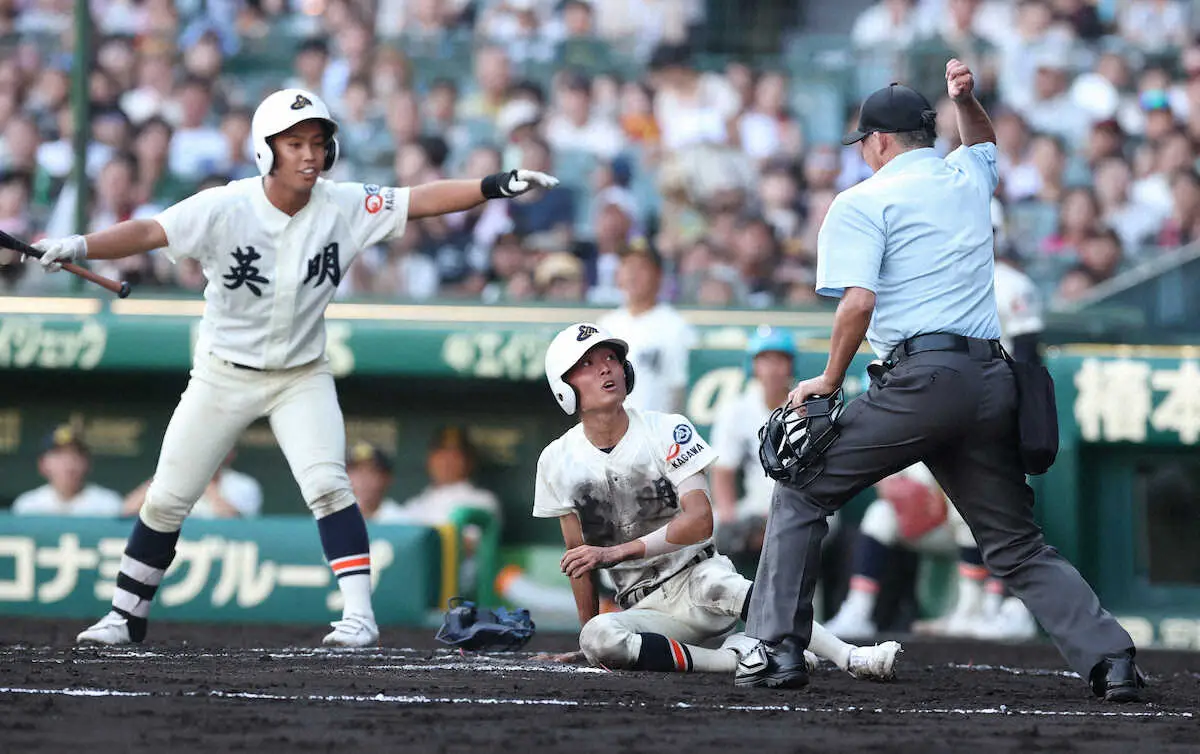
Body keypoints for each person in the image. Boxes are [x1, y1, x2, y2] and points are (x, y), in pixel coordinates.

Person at [31, 88, 558, 648]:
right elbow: (149, 231)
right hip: (222, 373)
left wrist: (494, 185)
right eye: (295, 143)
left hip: (300, 374)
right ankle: (125, 615)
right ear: (266, 150)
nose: (310, 155)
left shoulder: (344, 203)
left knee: (329, 486)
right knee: (166, 498)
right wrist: (79, 244)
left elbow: (419, 199)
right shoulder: (224, 205)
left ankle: (359, 616)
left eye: (317, 143)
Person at [737, 61, 1143, 703]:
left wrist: (829, 379)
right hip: (989, 380)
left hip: (921, 380)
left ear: (877, 141)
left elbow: (858, 302)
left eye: (863, 143)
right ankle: (1111, 659)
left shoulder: (862, 200)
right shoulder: (964, 176)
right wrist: (968, 100)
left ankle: (777, 647)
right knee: (1015, 543)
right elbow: (983, 140)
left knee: (801, 490)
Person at [532, 322, 900, 680]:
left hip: (698, 580)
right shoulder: (555, 460)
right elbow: (578, 559)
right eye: (587, 364)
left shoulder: (666, 428)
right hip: (643, 609)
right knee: (598, 637)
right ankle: (733, 659)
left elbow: (699, 522)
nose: (605, 369)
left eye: (611, 358)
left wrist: (614, 553)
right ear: (564, 386)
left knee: (723, 583)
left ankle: (849, 655)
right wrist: (587, 636)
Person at [598, 242, 694, 413]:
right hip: (611, 425)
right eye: (627, 266)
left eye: (641, 267)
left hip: (655, 425)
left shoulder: (675, 326)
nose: (632, 275)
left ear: (658, 275)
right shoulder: (606, 325)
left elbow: (680, 390)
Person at [12, 426, 122, 517]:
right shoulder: (27, 506)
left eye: (75, 456)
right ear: (43, 464)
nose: (68, 464)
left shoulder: (108, 505)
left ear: (87, 463)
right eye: (59, 456)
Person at [122, 451, 263, 519]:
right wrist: (166, 475)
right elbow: (128, 510)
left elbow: (234, 521)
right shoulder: (172, 478)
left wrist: (203, 481)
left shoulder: (243, 484)